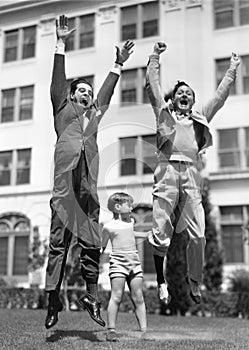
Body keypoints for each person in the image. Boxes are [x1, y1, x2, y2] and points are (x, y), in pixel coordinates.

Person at [45, 15, 134, 329]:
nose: (86, 93)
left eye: (88, 91)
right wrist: (61, 42)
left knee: (91, 243)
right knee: (58, 245)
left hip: (88, 189)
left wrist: (118, 64)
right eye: (80, 90)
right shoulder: (61, 108)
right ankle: (53, 301)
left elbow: (106, 94)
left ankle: (91, 297)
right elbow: (58, 79)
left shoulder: (94, 114)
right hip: (65, 188)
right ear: (70, 96)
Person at [146, 42, 240, 305]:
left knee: (198, 233)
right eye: (180, 92)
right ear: (174, 98)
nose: (184, 95)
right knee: (160, 228)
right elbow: (153, 87)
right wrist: (154, 57)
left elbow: (220, 97)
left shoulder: (201, 115)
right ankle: (161, 281)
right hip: (166, 170)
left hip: (190, 172)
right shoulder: (162, 113)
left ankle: (194, 281)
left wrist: (231, 69)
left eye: (188, 92)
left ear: (193, 99)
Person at [101, 192, 148, 342]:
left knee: (138, 297)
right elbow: (102, 245)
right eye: (129, 204)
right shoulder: (108, 227)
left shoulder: (131, 222)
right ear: (118, 206)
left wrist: (146, 234)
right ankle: (111, 331)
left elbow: (131, 233)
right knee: (116, 296)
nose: (131, 206)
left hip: (134, 262)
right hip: (118, 264)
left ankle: (144, 331)